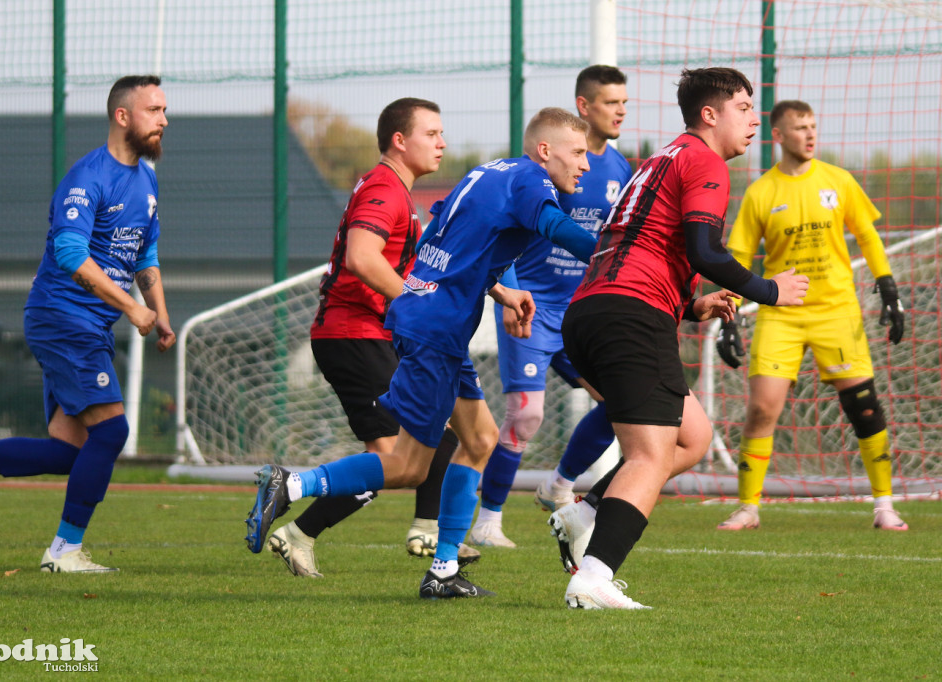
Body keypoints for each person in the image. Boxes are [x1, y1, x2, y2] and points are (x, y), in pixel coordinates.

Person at [246, 107, 599, 599]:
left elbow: (451, 241)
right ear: (545, 151)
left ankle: (444, 570)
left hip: (434, 326)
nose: (585, 164)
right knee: (408, 464)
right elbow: (555, 228)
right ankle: (292, 486)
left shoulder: (488, 172)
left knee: (479, 439)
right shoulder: (531, 181)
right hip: (431, 328)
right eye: (578, 153)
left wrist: (499, 290)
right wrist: (613, 249)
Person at [550, 67, 809, 610]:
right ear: (709, 115)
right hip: (628, 315)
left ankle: (586, 511)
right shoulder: (706, 161)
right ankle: (593, 577)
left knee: (691, 436)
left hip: (593, 312)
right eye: (744, 106)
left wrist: (692, 305)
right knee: (650, 454)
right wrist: (768, 290)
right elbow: (704, 251)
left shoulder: (659, 160)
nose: (754, 117)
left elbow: (641, 246)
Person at [0, 75, 175, 573]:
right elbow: (71, 255)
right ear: (122, 116)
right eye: (154, 110)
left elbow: (147, 256)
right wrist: (132, 309)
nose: (164, 120)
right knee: (112, 431)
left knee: (67, 451)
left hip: (87, 325)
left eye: (165, 110)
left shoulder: (147, 180)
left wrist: (159, 313)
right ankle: (63, 552)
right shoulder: (87, 178)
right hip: (62, 317)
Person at [262, 97, 479, 578]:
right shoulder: (385, 187)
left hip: (364, 335)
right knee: (401, 454)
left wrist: (498, 287)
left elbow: (418, 263)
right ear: (399, 141)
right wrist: (416, 306)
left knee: (423, 443)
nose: (442, 143)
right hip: (353, 335)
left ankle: (302, 531)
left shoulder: (396, 192)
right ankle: (295, 489)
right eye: (432, 134)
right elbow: (362, 256)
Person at [715, 100, 908, 532]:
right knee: (762, 409)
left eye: (813, 126)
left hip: (836, 311)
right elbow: (739, 258)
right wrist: (727, 315)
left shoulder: (838, 181)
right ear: (779, 136)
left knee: (863, 406)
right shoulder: (761, 192)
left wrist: (888, 288)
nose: (810, 134)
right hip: (780, 314)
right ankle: (748, 507)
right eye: (800, 127)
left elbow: (869, 237)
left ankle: (884, 506)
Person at [469, 65, 632, 548]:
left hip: (581, 312)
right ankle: (488, 519)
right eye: (610, 102)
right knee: (526, 415)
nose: (621, 110)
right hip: (533, 309)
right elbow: (509, 237)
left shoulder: (621, 169)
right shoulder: (534, 173)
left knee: (623, 401)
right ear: (585, 106)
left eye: (625, 102)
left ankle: (558, 485)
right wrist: (509, 294)